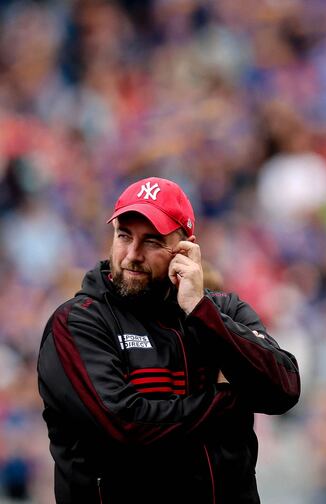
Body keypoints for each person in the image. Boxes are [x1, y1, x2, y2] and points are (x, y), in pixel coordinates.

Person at [37, 176, 301, 504]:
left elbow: (284, 390)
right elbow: (125, 430)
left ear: (186, 248)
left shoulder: (223, 310)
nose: (132, 254)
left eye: (151, 241)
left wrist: (201, 312)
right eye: (124, 235)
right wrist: (228, 398)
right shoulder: (78, 321)